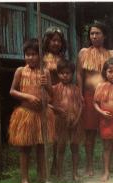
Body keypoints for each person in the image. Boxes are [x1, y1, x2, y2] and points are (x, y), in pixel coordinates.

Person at [8, 38, 55, 183]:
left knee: (42, 147)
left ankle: (42, 176)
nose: (30, 57)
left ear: (40, 56)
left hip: (42, 114)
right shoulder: (20, 71)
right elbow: (12, 91)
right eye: (27, 54)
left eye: (34, 54)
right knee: (25, 148)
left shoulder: (45, 72)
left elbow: (52, 94)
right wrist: (27, 96)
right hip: (26, 113)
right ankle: (24, 180)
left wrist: (46, 85)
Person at [77, 21, 113, 176]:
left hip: (108, 98)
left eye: (97, 33)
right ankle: (89, 166)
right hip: (89, 96)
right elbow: (79, 74)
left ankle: (110, 166)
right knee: (90, 133)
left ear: (104, 35)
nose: (94, 36)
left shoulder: (112, 54)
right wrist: (80, 94)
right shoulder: (83, 53)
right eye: (92, 33)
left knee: (110, 133)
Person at [51, 59, 84, 181]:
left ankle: (75, 173)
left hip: (75, 122)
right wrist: (56, 109)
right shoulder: (54, 88)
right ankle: (59, 173)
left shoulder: (76, 89)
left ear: (72, 74)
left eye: (68, 73)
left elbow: (81, 105)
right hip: (60, 122)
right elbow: (47, 104)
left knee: (75, 147)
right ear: (58, 73)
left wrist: (77, 119)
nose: (65, 75)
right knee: (61, 147)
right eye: (62, 73)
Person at [42, 26, 67, 175]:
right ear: (47, 41)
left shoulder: (63, 60)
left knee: (59, 135)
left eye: (58, 40)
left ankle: (57, 166)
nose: (56, 43)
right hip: (46, 96)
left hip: (60, 97)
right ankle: (46, 165)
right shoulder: (42, 59)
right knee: (48, 134)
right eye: (52, 40)